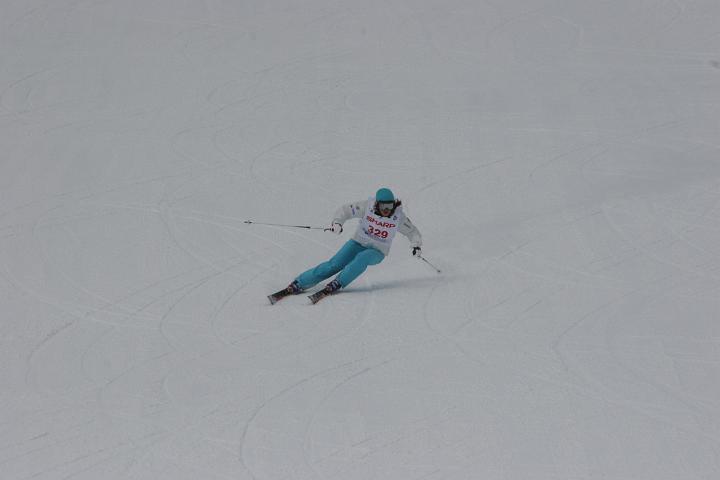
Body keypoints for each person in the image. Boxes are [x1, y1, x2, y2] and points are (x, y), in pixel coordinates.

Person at [269, 187, 423, 303]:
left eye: (389, 207)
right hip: (357, 243)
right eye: (383, 207)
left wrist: (416, 245)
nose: (386, 211)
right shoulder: (367, 207)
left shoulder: (398, 217)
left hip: (377, 251)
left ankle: (338, 282)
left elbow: (412, 232)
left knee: (362, 258)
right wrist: (337, 223)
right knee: (333, 264)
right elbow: (345, 210)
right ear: (377, 204)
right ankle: (300, 283)